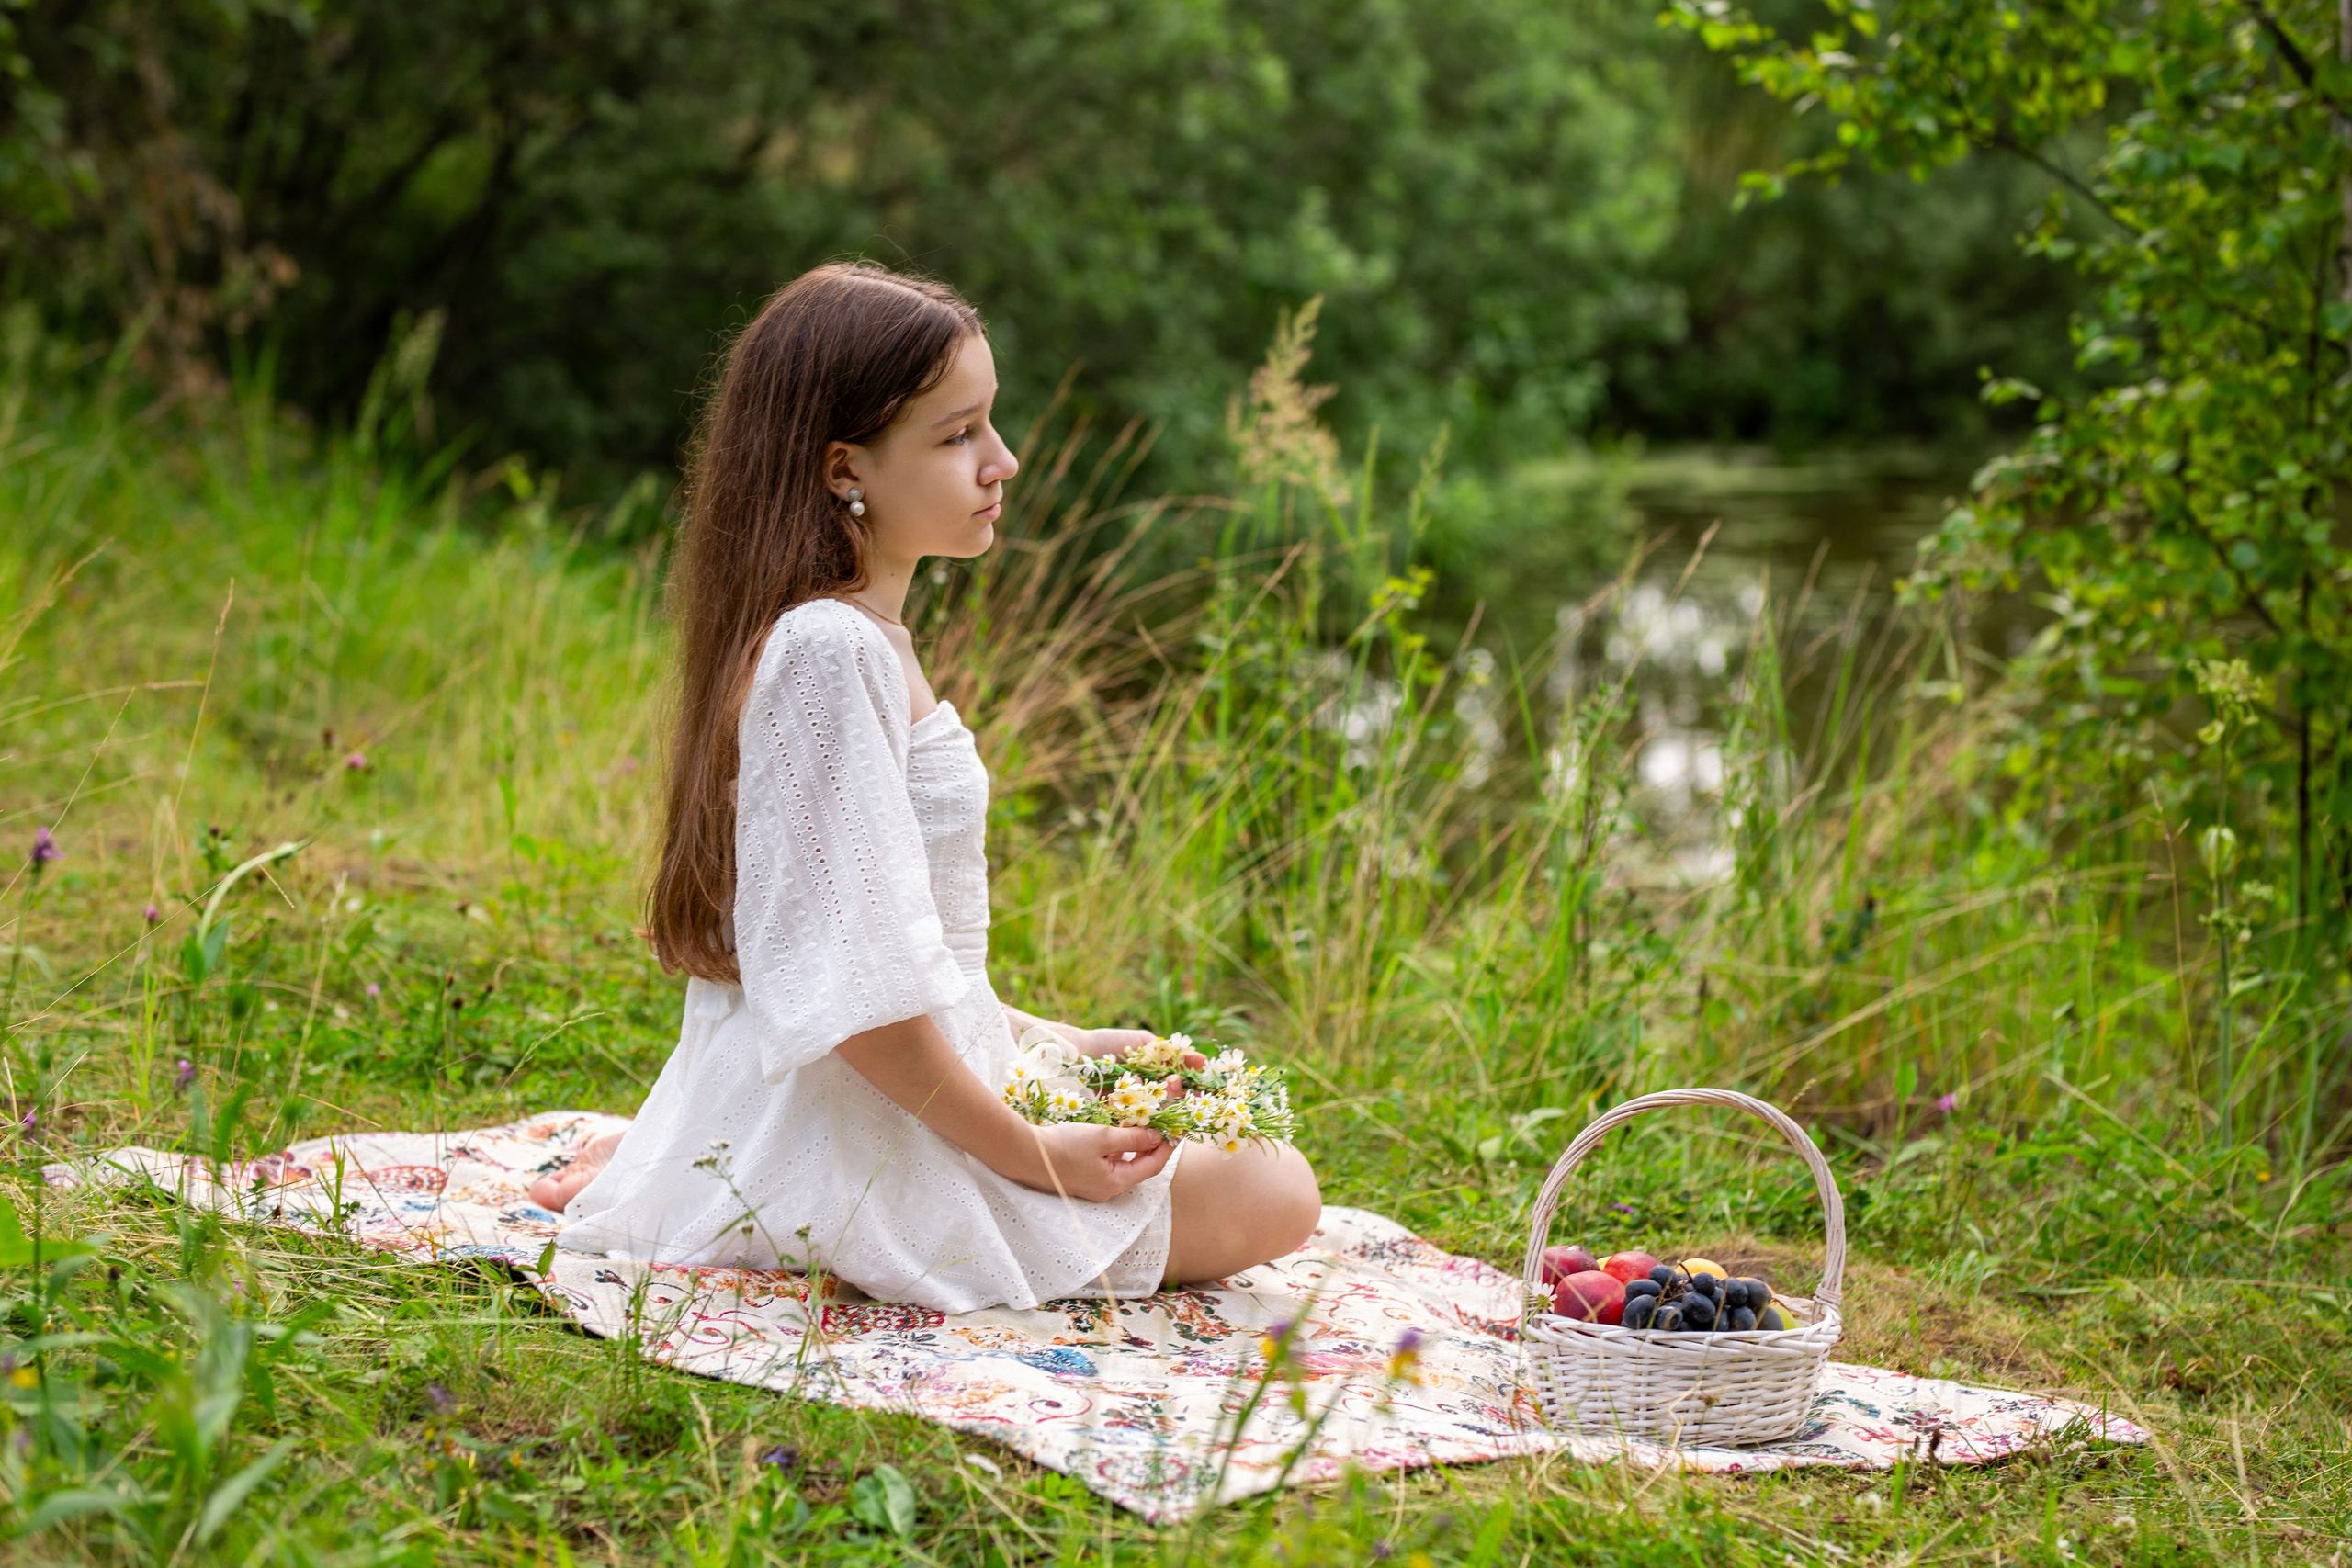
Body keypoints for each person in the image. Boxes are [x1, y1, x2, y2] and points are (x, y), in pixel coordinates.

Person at [532, 263, 1321, 1312]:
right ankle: (753, 1177)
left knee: (1220, 1133)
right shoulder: (829, 651)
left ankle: (709, 1158)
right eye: (958, 437)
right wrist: (1036, 1154)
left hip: (883, 1076)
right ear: (842, 468)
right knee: (1277, 1187)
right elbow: (853, 995)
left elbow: (887, 943)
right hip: (865, 1114)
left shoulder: (856, 639)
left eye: (988, 425)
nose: (1003, 462)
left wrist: (1056, 1042)